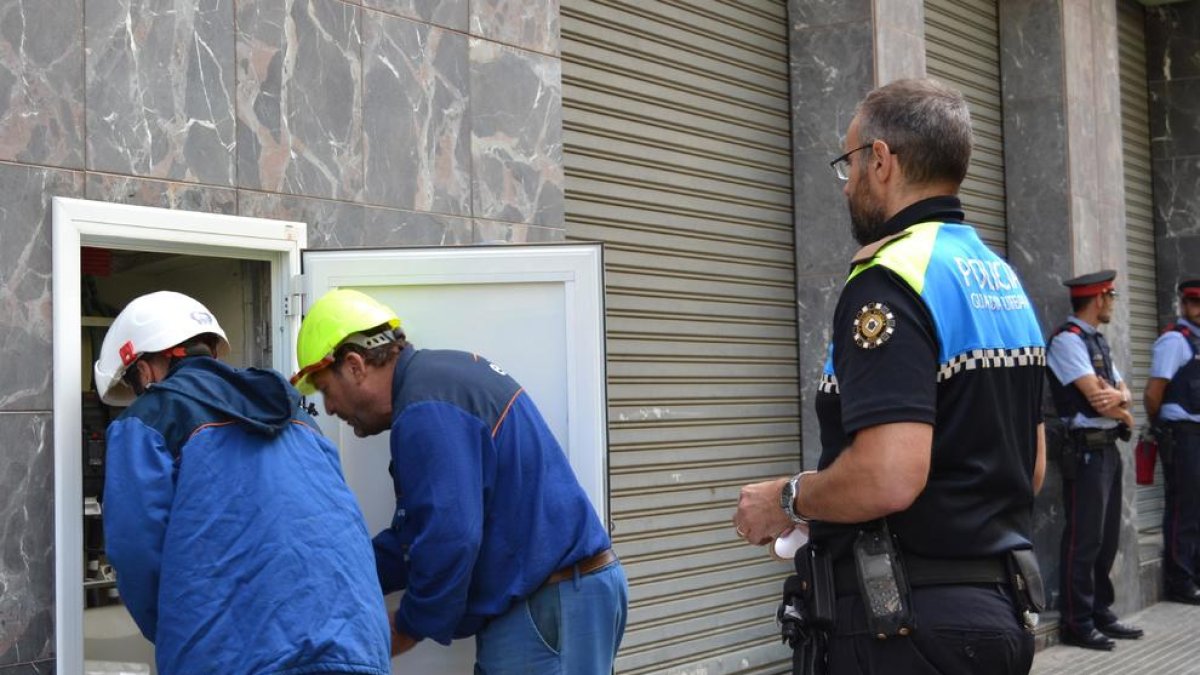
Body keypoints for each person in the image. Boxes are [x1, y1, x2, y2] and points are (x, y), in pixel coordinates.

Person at [732, 78, 1047, 675]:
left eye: (849, 163)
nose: (846, 183)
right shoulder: (1000, 278)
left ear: (880, 160)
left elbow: (889, 475)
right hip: (998, 614)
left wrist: (788, 499)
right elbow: (1029, 467)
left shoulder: (891, 278)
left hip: (905, 630)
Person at [290, 288, 628, 674]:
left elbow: (449, 536)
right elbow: (415, 537)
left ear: (354, 366)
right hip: (561, 599)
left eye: (326, 391)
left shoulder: (426, 409)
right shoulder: (436, 387)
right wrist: (335, 575)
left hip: (552, 603)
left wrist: (408, 625)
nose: (330, 408)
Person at [93, 291, 391, 675]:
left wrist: (177, 631)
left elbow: (136, 551)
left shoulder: (148, 419)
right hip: (355, 644)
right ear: (212, 350)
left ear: (145, 370)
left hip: (235, 657)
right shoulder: (295, 414)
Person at [1045, 270, 1144, 649]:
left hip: (1107, 449)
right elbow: (1095, 398)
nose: (1114, 304)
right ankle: (1078, 621)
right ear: (1100, 298)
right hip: (1085, 449)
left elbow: (1121, 391)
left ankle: (1101, 611)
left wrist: (1121, 399)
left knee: (1106, 540)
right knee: (1084, 539)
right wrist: (1126, 414)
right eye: (1112, 297)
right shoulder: (1067, 341)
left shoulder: (1095, 340)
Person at [1144, 278, 1200, 606]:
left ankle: (1194, 574)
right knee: (1184, 507)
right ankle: (1180, 580)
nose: (1197, 309)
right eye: (1192, 303)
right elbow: (1154, 393)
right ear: (1182, 304)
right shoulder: (1174, 340)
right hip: (1183, 434)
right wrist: (1161, 428)